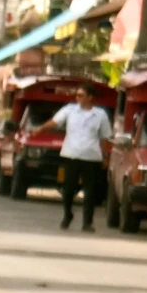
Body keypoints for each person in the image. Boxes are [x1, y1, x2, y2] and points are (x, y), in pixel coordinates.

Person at [33, 86, 114, 231]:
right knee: (68, 189)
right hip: (71, 154)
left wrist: (106, 156)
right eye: (77, 95)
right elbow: (55, 122)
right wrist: (41, 129)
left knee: (90, 191)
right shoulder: (70, 110)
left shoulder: (100, 115)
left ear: (90, 97)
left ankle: (87, 222)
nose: (78, 98)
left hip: (91, 157)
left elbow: (104, 138)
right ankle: (67, 214)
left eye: (81, 95)